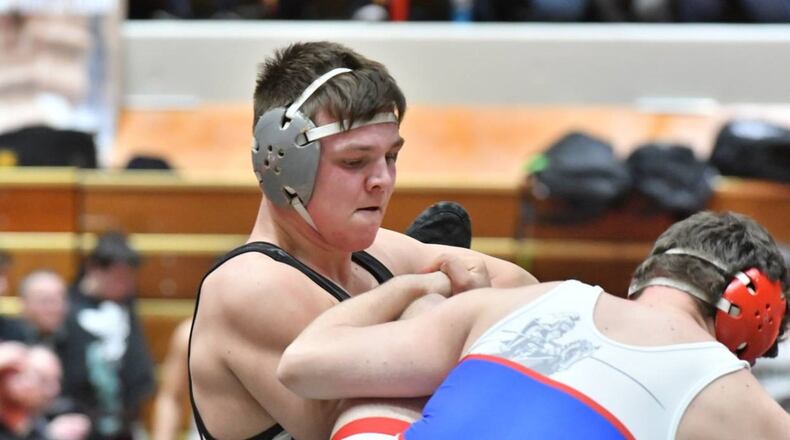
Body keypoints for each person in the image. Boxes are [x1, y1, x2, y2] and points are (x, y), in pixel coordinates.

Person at [188, 41, 536, 440]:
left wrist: (431, 304)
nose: (382, 181)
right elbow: (380, 425)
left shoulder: (377, 253)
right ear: (279, 166)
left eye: (391, 157)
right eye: (354, 162)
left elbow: (529, 293)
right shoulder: (249, 286)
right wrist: (428, 293)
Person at [279, 211, 790, 439]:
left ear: (647, 272)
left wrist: (413, 287)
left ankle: (428, 314)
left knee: (406, 366)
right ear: (759, 313)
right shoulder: (731, 392)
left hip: (470, 316)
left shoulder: (521, 303)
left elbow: (302, 365)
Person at [59, 232, 155, 440]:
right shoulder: (65, 307)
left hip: (122, 424)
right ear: (94, 269)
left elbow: (139, 367)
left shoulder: (125, 306)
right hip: (77, 423)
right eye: (119, 277)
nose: (127, 284)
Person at [16, 271, 69, 349]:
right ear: (24, 303)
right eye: (45, 300)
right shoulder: (7, 337)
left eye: (59, 300)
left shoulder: (79, 338)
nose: (54, 308)